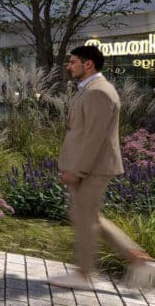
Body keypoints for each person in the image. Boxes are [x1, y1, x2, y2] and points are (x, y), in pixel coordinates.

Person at [49, 45, 155, 289]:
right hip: (92, 166)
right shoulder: (89, 89)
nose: (69, 65)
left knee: (85, 218)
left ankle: (84, 275)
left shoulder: (99, 92)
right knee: (88, 217)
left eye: (73, 61)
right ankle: (140, 261)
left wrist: (77, 170)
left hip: (94, 167)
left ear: (88, 64)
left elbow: (93, 137)